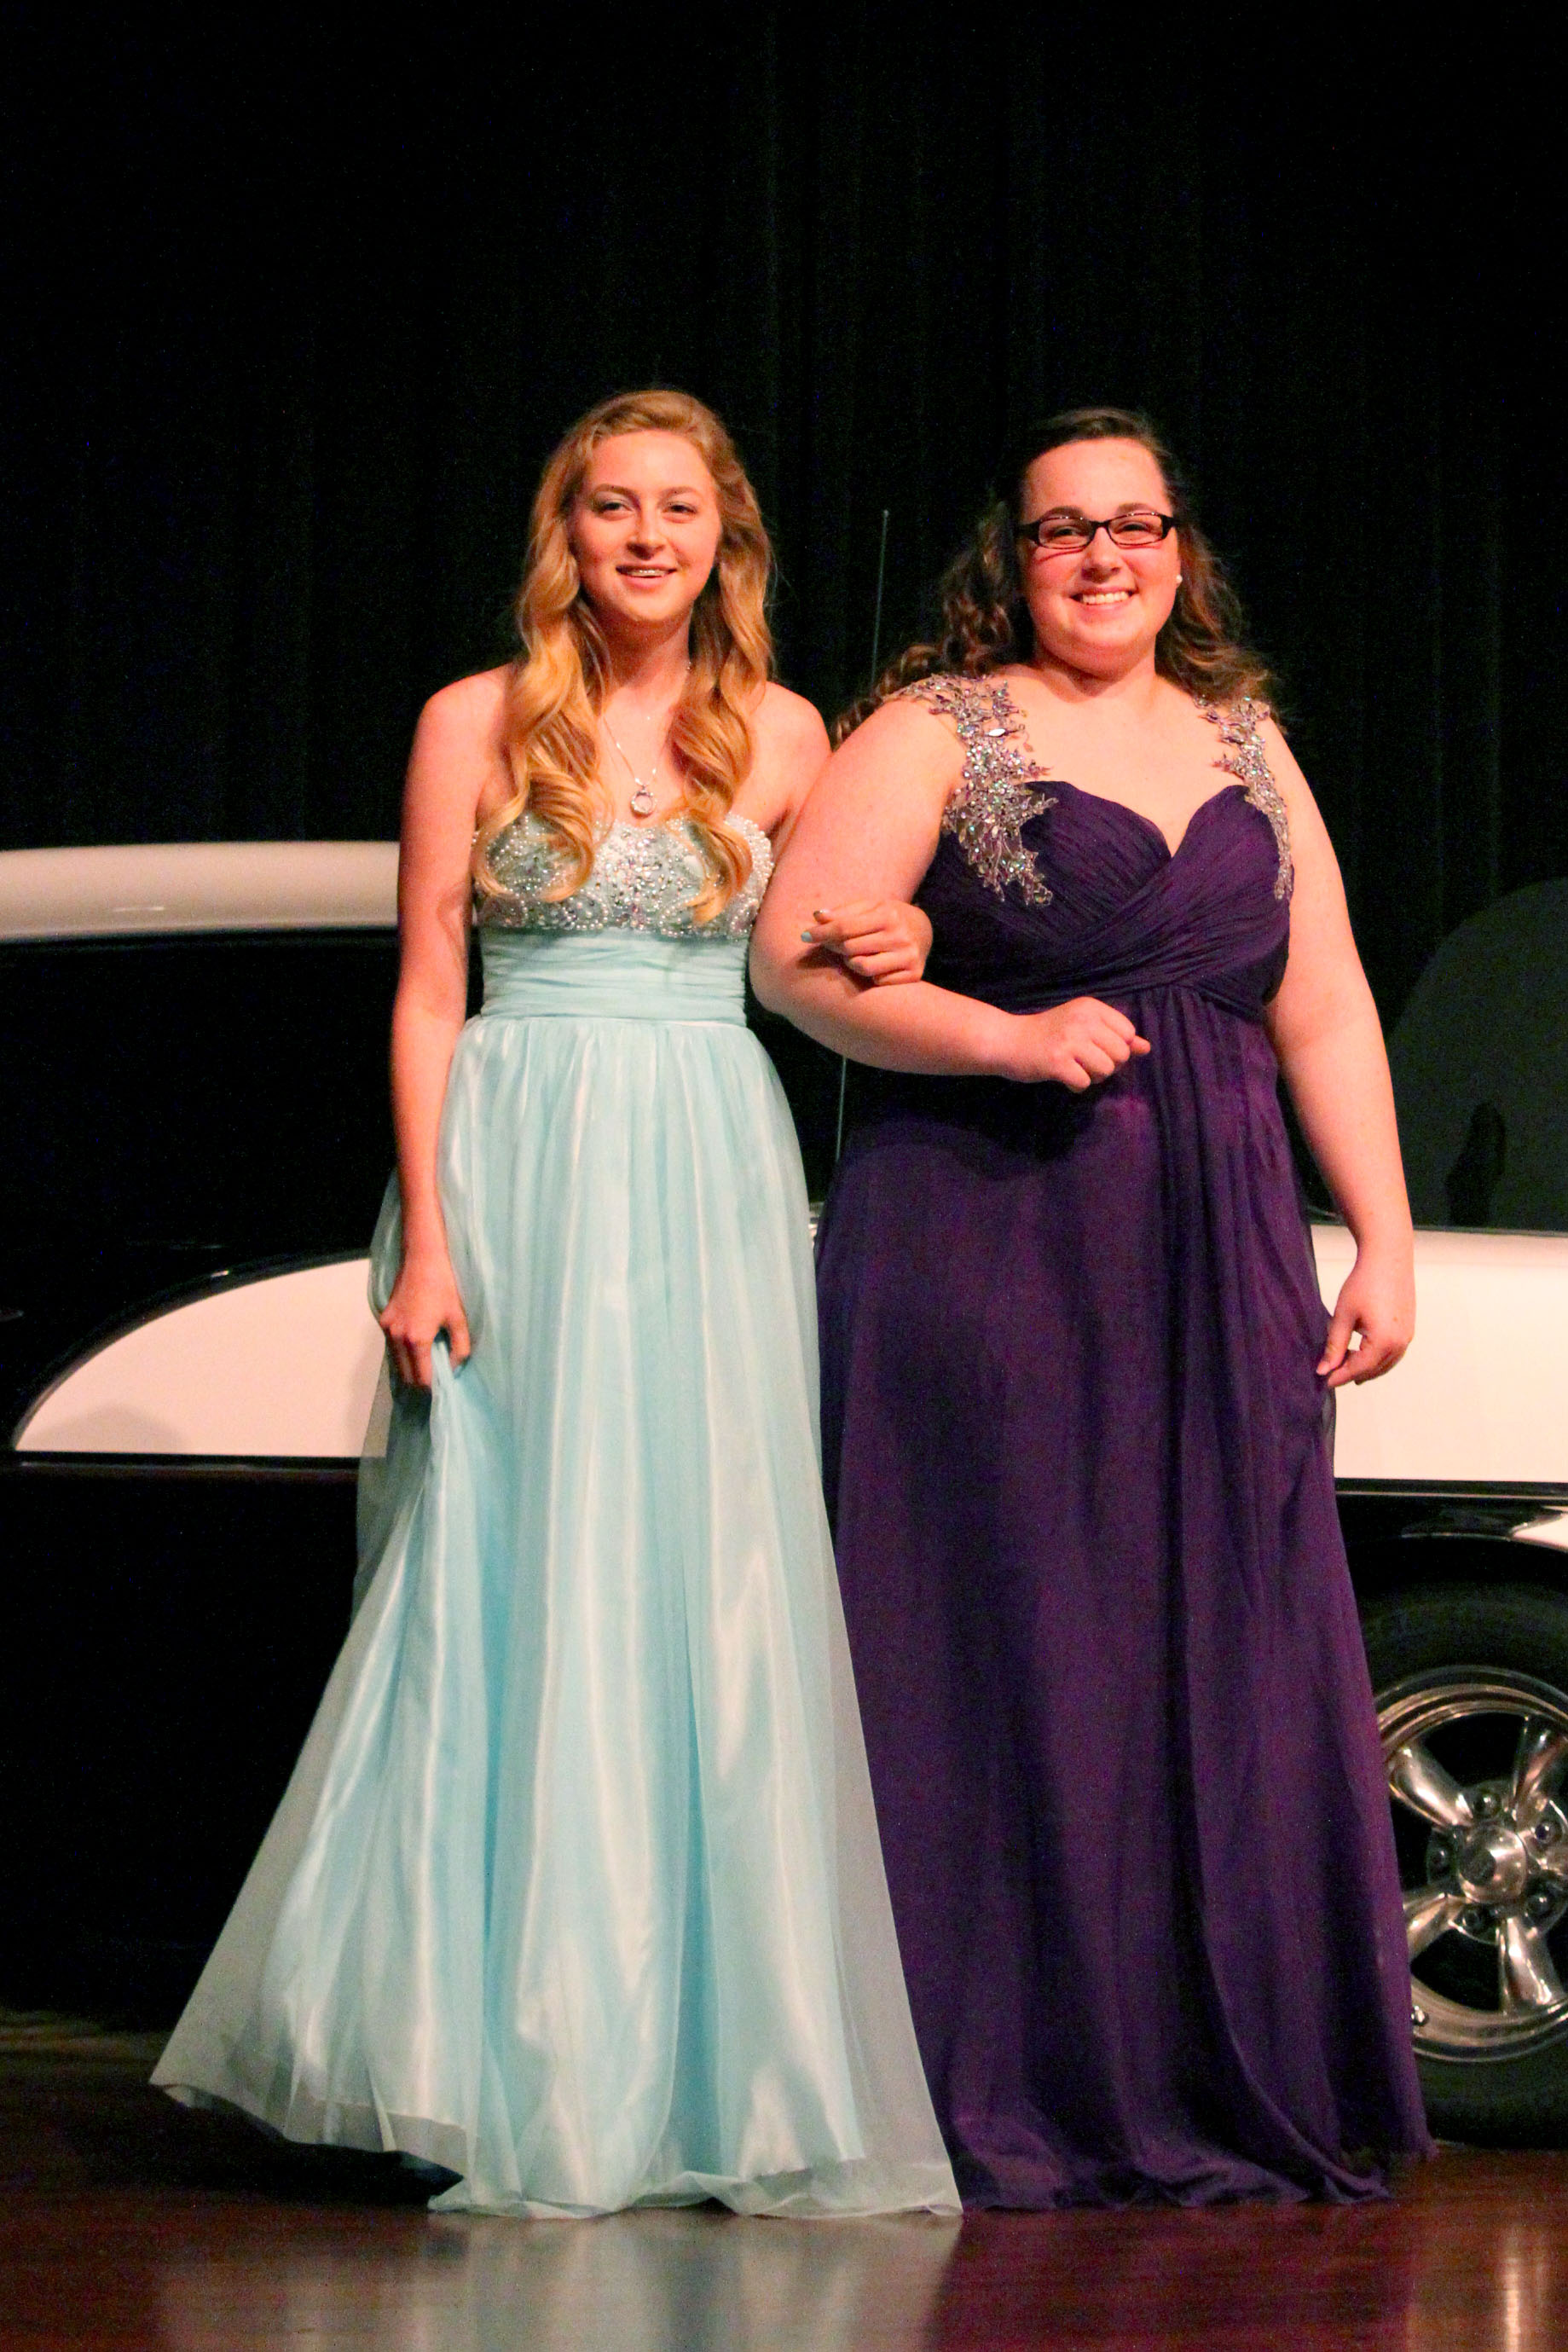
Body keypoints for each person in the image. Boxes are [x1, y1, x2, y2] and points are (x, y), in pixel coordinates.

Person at [153, 388, 959, 2221]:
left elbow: (826, 952)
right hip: (512, 1168)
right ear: (566, 533)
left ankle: (708, 2070)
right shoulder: (473, 717)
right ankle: (484, 2061)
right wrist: (431, 1234)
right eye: (611, 505)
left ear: (725, 535)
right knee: (500, 1578)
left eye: (679, 505)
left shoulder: (786, 731)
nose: (645, 535)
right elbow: (428, 982)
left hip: (705, 1166)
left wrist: (901, 936)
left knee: (706, 1579)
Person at [751, 406, 1432, 2206]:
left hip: (1219, 1238)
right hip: (990, 1236)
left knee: (1210, 1636)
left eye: (1134, 524)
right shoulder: (935, 725)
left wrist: (1380, 1232)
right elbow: (794, 960)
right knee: (1019, 1640)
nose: (1102, 556)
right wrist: (1002, 1033)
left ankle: (1200, 2057)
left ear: (1180, 552)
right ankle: (1003, 2069)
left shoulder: (1245, 738)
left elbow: (1323, 1000)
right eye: (1065, 528)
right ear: (1016, 553)